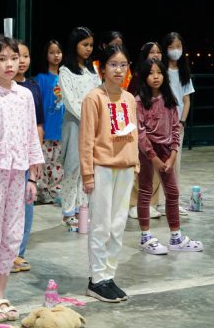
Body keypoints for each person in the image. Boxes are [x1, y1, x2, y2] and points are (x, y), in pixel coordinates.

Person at [0, 34, 43, 323]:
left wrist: (33, 175)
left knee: (12, 234)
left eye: (14, 58)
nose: (10, 64)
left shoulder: (25, 95)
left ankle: (1, 294)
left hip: (19, 172)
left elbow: (31, 134)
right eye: (2, 59)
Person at [79, 44, 138, 303]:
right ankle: (97, 279)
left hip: (126, 168)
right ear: (102, 68)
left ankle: (109, 275)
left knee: (118, 225)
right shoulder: (94, 98)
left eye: (123, 65)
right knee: (101, 225)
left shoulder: (129, 99)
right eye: (113, 64)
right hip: (102, 168)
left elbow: (134, 134)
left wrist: (135, 163)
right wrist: (87, 173)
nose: (118, 70)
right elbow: (86, 139)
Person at [135, 58, 203, 255]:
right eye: (151, 73)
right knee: (145, 191)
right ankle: (145, 237)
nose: (155, 77)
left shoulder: (169, 98)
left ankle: (176, 237)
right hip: (147, 152)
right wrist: (154, 158)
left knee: (172, 193)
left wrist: (173, 154)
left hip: (167, 151)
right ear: (144, 77)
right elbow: (140, 134)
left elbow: (175, 127)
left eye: (159, 72)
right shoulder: (138, 101)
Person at [59, 26, 101, 228]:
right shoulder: (65, 71)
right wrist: (88, 118)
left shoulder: (92, 70)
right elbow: (70, 100)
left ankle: (82, 209)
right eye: (85, 44)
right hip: (75, 123)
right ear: (74, 45)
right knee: (73, 167)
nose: (88, 49)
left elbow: (99, 95)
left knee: (87, 167)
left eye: (91, 45)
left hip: (93, 125)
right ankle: (68, 212)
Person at [11, 40, 43, 274]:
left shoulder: (32, 88)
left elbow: (38, 125)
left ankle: (19, 253)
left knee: (26, 204)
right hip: (5, 158)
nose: (20, 61)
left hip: (26, 157)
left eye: (25, 56)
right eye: (15, 57)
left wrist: (36, 156)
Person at [127, 42, 165, 219]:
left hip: (158, 130)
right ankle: (134, 204)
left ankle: (151, 203)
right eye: (152, 52)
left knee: (156, 167)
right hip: (141, 129)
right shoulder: (137, 77)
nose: (156, 55)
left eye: (159, 52)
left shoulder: (162, 77)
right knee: (140, 167)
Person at [160, 32, 193, 217]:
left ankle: (173, 202)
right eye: (171, 47)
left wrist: (182, 122)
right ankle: (158, 202)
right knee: (159, 163)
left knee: (175, 164)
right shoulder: (161, 70)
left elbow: (186, 100)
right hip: (160, 124)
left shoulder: (184, 72)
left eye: (178, 47)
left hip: (177, 126)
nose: (175, 50)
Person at [34, 39, 65, 205]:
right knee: (44, 162)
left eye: (58, 52)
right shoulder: (41, 78)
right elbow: (37, 104)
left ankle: (56, 191)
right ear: (46, 55)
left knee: (58, 163)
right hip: (46, 128)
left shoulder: (65, 78)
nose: (56, 56)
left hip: (61, 129)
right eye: (52, 52)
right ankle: (42, 192)